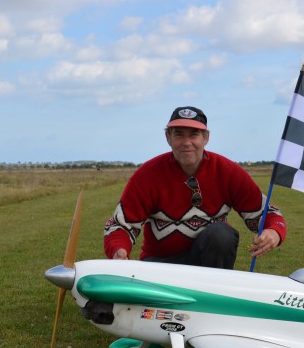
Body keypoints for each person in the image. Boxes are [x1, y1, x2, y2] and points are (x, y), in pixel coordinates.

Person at [103, 106, 286, 269]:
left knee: (221, 234)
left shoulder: (228, 172)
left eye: (194, 134)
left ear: (206, 138)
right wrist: (119, 251)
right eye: (179, 134)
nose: (186, 142)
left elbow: (268, 214)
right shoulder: (148, 175)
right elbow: (120, 225)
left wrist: (273, 231)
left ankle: (214, 292)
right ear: (168, 138)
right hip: (160, 266)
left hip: (207, 267)